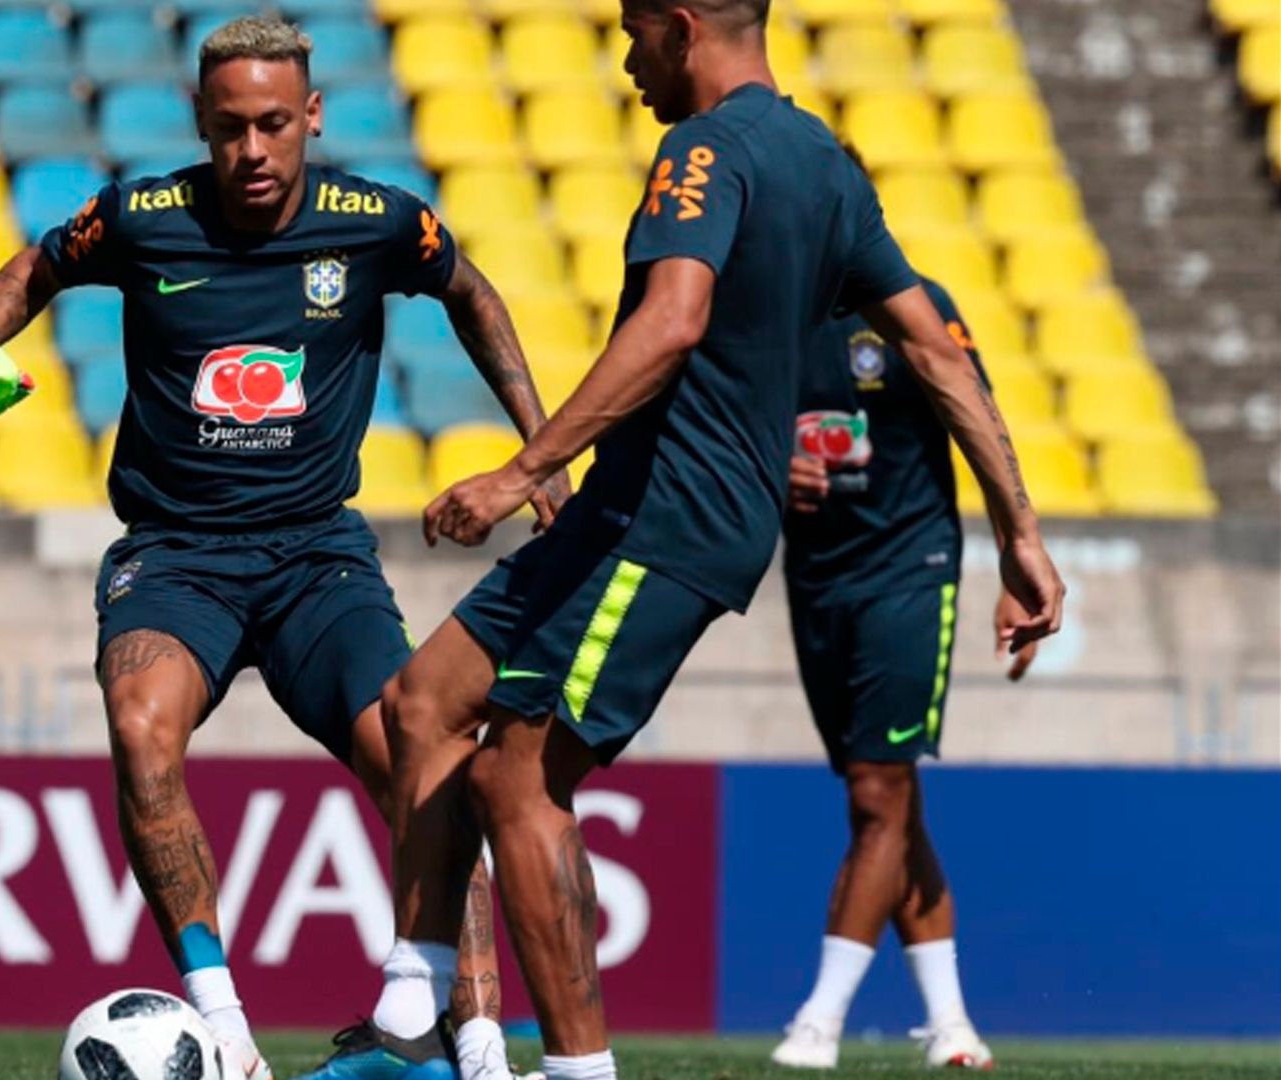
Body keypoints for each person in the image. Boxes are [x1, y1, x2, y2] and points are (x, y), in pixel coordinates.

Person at [322, 3, 1066, 1080]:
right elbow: (942, 358)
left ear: (679, 27)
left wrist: (520, 472)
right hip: (657, 516)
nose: (626, 59)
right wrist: (1021, 533)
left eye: (632, 34)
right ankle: (414, 1020)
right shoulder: (824, 161)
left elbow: (670, 321)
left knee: (518, 784)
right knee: (424, 701)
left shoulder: (703, 150)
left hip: (665, 516)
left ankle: (577, 1072)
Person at [0, 17, 567, 1080]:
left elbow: (473, 293)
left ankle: (484, 1043)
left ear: (311, 115)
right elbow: (35, 266)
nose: (255, 151)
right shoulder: (142, 218)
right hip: (177, 554)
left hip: (318, 557)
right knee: (141, 729)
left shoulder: (375, 224)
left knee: (421, 762)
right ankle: (222, 1028)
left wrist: (537, 452)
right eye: (231, 129)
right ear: (201, 123)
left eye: (275, 124)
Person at [769, 269, 1028, 1071]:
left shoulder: (915, 305)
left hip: (910, 567)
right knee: (889, 801)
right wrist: (773, 469)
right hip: (815, 580)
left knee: (877, 789)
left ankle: (820, 1021)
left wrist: (1018, 560)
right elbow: (721, 430)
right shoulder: (762, 308)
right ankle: (951, 1026)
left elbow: (976, 416)